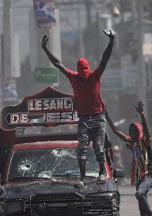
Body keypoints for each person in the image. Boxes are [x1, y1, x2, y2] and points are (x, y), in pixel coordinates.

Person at [41, 29, 116, 186]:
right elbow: (57, 64)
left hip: (98, 117)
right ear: (78, 70)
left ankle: (102, 173)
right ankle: (82, 179)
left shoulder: (95, 76)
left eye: (86, 70)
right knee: (81, 149)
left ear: (89, 69)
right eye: (81, 71)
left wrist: (111, 41)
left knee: (98, 147)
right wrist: (45, 49)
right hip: (83, 118)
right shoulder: (73, 77)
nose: (84, 74)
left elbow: (105, 59)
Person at [107, 101, 152, 216]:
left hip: (149, 175)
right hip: (140, 178)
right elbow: (116, 131)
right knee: (141, 199)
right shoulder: (132, 143)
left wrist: (142, 115)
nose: (133, 133)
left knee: (140, 194)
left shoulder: (145, 141)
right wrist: (106, 115)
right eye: (131, 131)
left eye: (135, 131)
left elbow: (146, 130)